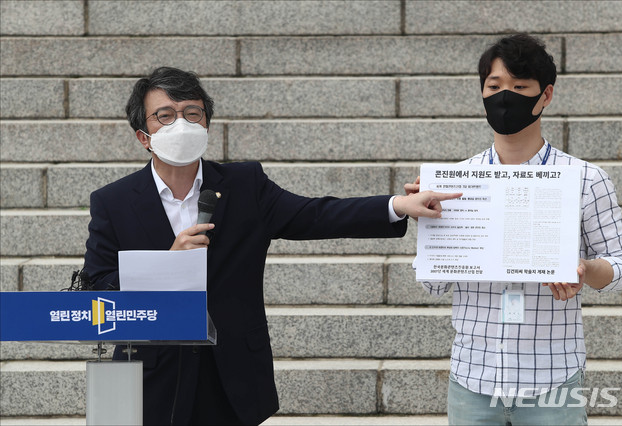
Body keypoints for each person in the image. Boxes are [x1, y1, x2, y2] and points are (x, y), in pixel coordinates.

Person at [83, 66, 461, 425]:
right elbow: (97, 287)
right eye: (165, 115)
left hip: (230, 375)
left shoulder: (244, 184)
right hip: (153, 377)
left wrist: (397, 205)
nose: (181, 123)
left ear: (207, 123)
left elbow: (315, 215)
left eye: (191, 112)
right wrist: (166, 265)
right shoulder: (113, 202)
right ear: (142, 136)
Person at [405, 33, 622, 425]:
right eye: (494, 86)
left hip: (552, 379)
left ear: (545, 96)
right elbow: (433, 284)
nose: (505, 96)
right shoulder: (458, 182)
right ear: (481, 92)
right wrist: (428, 224)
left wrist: (584, 270)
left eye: (519, 86)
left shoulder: (585, 178)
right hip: (473, 376)